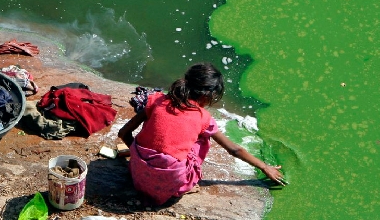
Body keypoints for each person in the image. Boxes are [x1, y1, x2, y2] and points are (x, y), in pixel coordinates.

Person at [118, 62, 286, 206]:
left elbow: (123, 132)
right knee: (203, 136)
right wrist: (264, 167)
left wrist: (138, 152)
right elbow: (234, 149)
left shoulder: (158, 100)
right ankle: (185, 185)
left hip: (138, 177)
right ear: (208, 95)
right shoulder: (203, 117)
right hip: (171, 186)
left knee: (155, 123)